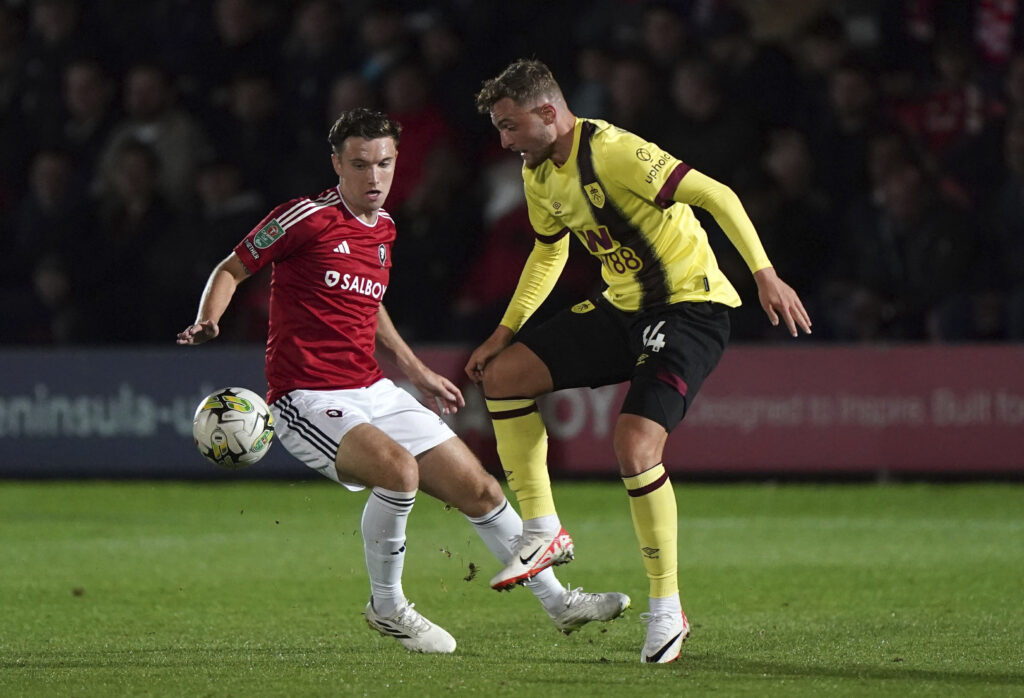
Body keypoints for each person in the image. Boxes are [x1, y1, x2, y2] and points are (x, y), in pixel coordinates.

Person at [176, 108, 629, 655]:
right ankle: (387, 608)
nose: (374, 177)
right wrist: (209, 318)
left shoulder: (385, 228)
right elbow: (232, 267)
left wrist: (415, 372)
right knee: (398, 472)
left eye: (385, 164)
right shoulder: (304, 218)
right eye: (361, 164)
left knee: (482, 490)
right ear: (337, 164)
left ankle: (560, 604)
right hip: (306, 398)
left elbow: (370, 307)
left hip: (373, 389)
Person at [466, 59, 812, 664]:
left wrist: (765, 274)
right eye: (499, 129)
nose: (505, 141)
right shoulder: (539, 172)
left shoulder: (616, 152)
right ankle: (544, 530)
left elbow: (716, 194)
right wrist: (505, 330)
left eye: (511, 126)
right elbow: (548, 255)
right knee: (504, 377)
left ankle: (665, 607)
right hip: (621, 306)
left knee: (634, 445)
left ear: (549, 112)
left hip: (689, 306)